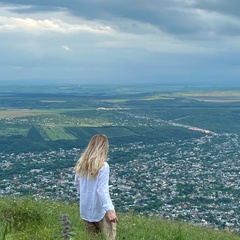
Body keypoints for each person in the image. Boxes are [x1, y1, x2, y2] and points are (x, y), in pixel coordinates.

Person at [73, 134, 118, 240]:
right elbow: (102, 190)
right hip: (101, 211)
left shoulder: (81, 164)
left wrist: (85, 196)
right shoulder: (103, 166)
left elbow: (76, 183)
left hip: (85, 210)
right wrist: (110, 211)